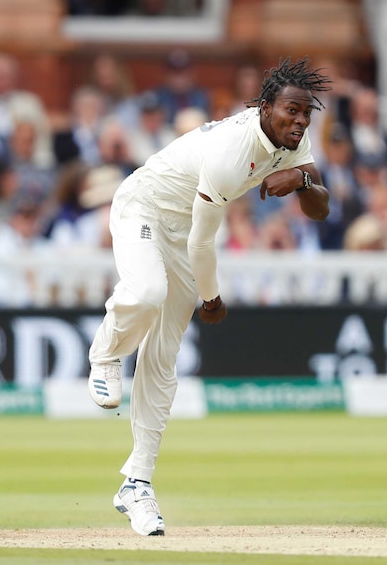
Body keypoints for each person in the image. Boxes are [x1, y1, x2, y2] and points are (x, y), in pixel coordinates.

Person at [86, 58, 331, 536]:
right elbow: (202, 244)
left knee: (163, 358)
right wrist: (211, 298)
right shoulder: (230, 153)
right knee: (148, 291)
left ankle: (136, 483)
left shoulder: (294, 141)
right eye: (291, 112)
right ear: (265, 108)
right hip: (144, 208)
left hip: (182, 232)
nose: (300, 122)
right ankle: (106, 353)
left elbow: (320, 208)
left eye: (306, 114)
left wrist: (303, 179)